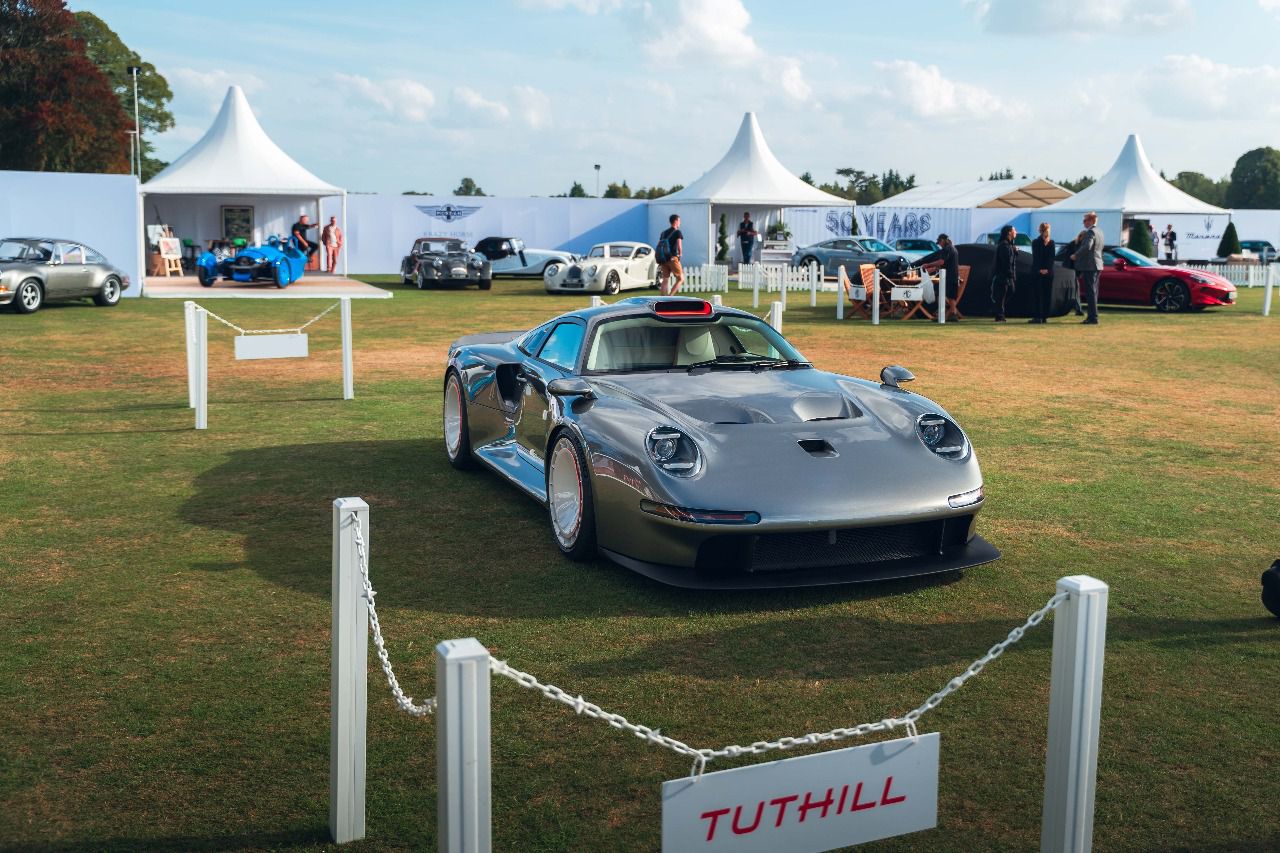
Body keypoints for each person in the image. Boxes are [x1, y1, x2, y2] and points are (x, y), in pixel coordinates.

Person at [1071, 211, 1104, 324]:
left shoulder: (1091, 232)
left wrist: (1076, 255)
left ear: (1092, 221)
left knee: (1090, 293)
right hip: (1098, 264)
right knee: (1094, 292)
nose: (1083, 222)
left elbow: (1087, 246)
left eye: (1085, 220)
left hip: (1090, 266)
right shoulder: (1099, 231)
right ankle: (1093, 316)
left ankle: (1092, 318)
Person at [918, 233, 959, 316]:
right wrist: (934, 269)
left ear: (943, 240)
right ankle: (952, 313)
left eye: (939, 242)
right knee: (951, 296)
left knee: (939, 293)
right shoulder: (953, 249)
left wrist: (928, 265)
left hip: (948, 276)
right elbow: (946, 264)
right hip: (953, 275)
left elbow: (941, 261)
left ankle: (941, 313)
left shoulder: (947, 249)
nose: (939, 245)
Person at [1029, 222, 1055, 324]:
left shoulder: (1050, 243)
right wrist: (1042, 269)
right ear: (1041, 231)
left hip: (1045, 272)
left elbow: (1050, 258)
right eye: (1045, 230)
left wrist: (1045, 269)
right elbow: (1038, 257)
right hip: (1040, 272)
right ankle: (1039, 316)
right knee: (1039, 295)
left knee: (1045, 295)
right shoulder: (1037, 242)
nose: (1047, 232)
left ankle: (1043, 316)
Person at [991, 224, 1017, 322]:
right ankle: (999, 315)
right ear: (1009, 232)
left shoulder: (1009, 244)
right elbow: (1006, 262)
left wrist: (1014, 252)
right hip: (1003, 275)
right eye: (1014, 230)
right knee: (1002, 295)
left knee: (1008, 292)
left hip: (1006, 275)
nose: (1016, 232)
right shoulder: (1004, 246)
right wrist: (1010, 274)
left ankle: (998, 312)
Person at [657, 213, 684, 295]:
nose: (680, 222)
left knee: (665, 279)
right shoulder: (677, 232)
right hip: (672, 258)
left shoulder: (663, 233)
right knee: (681, 279)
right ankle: (670, 297)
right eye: (679, 220)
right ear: (675, 221)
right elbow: (679, 245)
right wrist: (680, 254)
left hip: (663, 259)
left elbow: (659, 244)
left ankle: (662, 299)